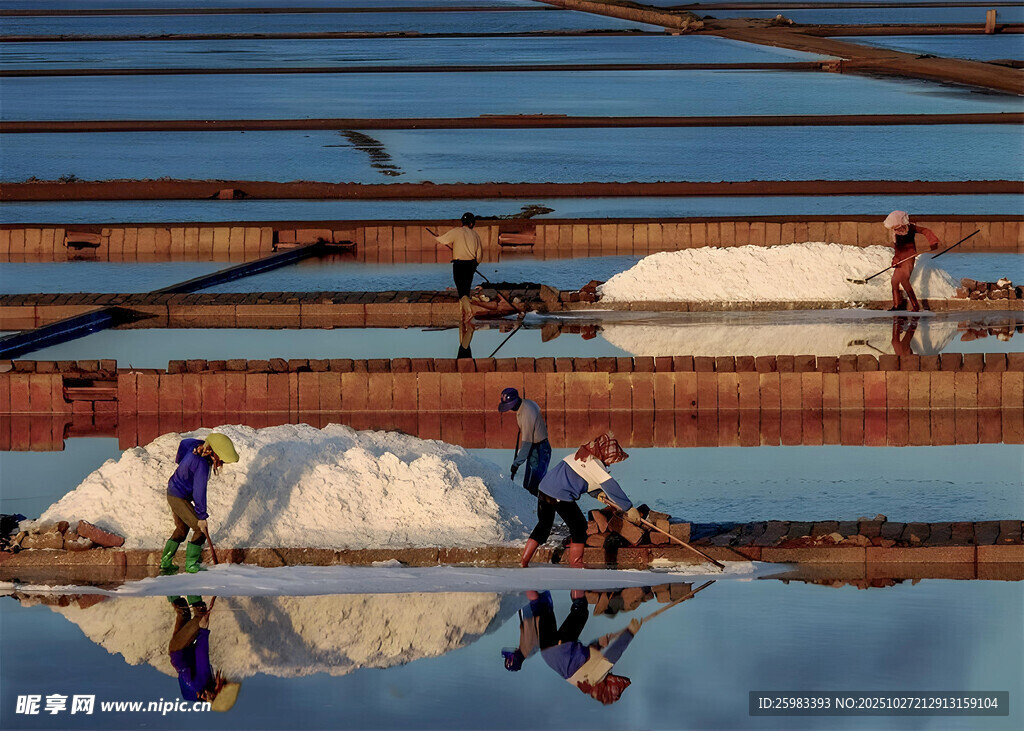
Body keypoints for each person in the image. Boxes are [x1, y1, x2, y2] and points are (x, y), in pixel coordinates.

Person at [521, 432, 640, 569]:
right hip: (559, 495)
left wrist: (598, 494)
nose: (610, 463)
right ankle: (576, 563)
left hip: (543, 490)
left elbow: (583, 478)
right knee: (579, 526)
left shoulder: (581, 455)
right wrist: (628, 507)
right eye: (611, 459)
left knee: (543, 525)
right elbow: (612, 487)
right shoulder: (595, 463)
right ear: (605, 454)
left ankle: (524, 561)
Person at [521, 590, 640, 705]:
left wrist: (630, 633)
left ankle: (577, 581)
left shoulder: (596, 678)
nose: (611, 674)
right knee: (542, 609)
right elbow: (587, 656)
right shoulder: (587, 685)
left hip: (563, 651)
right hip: (548, 653)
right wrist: (600, 643)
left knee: (581, 611)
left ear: (609, 685)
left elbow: (614, 653)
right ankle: (526, 582)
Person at [161, 433, 238, 574]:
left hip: (174, 490)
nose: (221, 464)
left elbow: (184, 443)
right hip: (178, 496)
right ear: (214, 453)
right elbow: (199, 492)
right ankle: (191, 565)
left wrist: (181, 463)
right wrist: (201, 517)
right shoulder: (201, 464)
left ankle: (165, 563)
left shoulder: (196, 447)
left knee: (181, 530)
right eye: (221, 460)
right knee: (199, 530)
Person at [167, 596, 241, 712]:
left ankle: (194, 582)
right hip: (176, 651)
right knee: (184, 613)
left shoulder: (202, 682)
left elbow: (201, 654)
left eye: (221, 687)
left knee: (201, 615)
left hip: (181, 647)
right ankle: (169, 586)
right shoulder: (200, 687)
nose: (222, 681)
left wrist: (203, 630)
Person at [883, 210, 939, 312]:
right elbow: (897, 248)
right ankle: (896, 306)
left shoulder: (911, 228)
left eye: (897, 226)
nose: (896, 229)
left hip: (909, 257)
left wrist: (933, 242)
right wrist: (895, 260)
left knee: (904, 281)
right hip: (900, 259)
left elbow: (926, 231)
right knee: (894, 281)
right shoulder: (896, 234)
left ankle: (915, 306)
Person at [499, 387, 551, 496]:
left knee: (532, 487)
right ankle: (534, 509)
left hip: (539, 449)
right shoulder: (525, 404)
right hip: (536, 448)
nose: (510, 409)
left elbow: (527, 442)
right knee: (531, 485)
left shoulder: (527, 411)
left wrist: (516, 463)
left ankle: (536, 510)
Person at [434, 212, 483, 324]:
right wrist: (476, 264)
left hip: (459, 264)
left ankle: (469, 312)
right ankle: (464, 314)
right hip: (471, 264)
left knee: (462, 292)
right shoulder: (475, 235)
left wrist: (436, 237)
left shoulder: (456, 231)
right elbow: (479, 255)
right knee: (466, 289)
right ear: (471, 224)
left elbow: (442, 240)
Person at [501, 589, 552, 673]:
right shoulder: (527, 649)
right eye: (509, 657)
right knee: (527, 584)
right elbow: (530, 623)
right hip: (537, 608)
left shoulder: (527, 651)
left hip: (540, 609)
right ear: (514, 658)